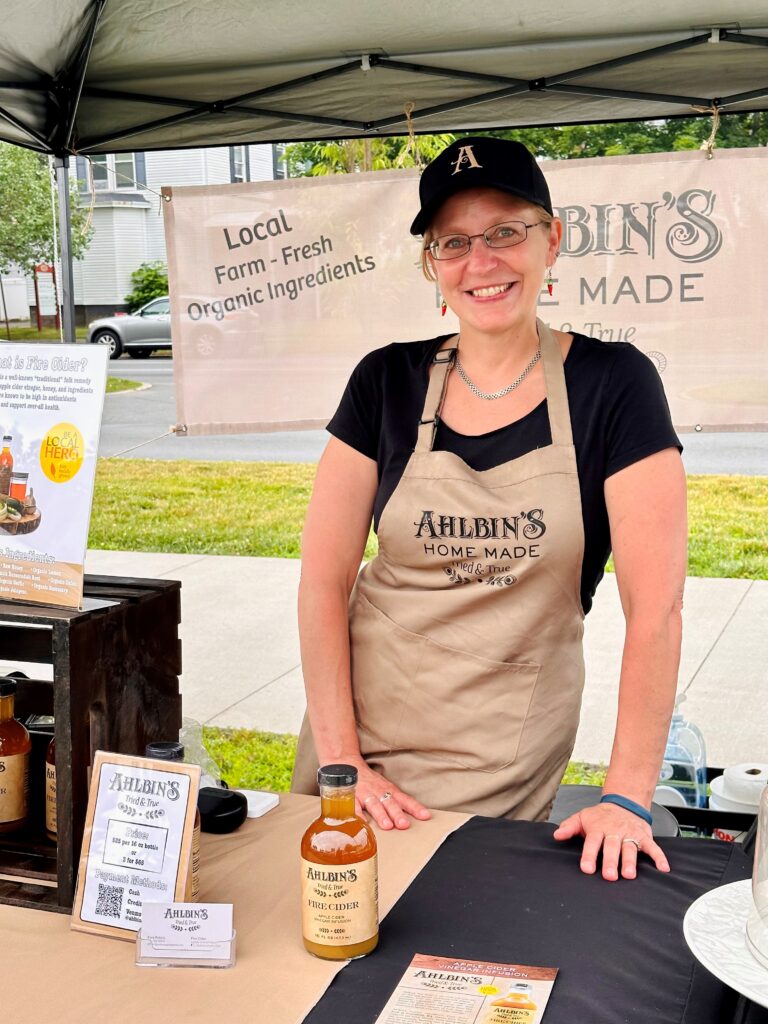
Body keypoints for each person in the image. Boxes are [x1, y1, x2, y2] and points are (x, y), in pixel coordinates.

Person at [291, 136, 687, 883]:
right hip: (356, 754)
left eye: (507, 231)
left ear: (552, 241)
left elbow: (657, 608)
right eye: (455, 242)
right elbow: (322, 581)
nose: (483, 261)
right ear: (433, 267)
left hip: (499, 765)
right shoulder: (385, 382)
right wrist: (343, 764)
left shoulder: (615, 385)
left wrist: (627, 797)